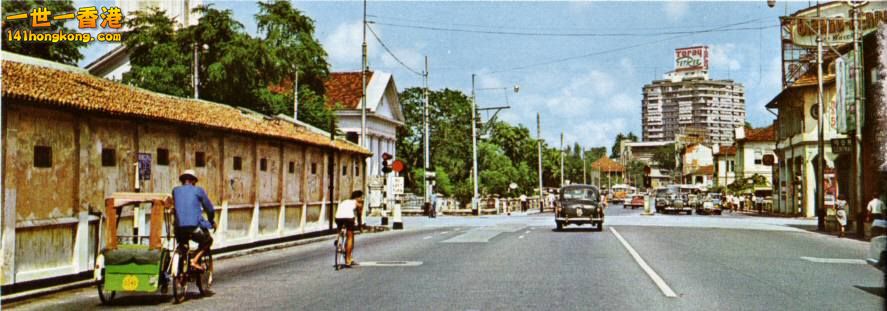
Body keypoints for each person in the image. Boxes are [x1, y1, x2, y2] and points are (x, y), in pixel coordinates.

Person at [172, 169, 215, 271]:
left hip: (179, 228)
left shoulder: (175, 190)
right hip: (194, 227)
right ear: (193, 181)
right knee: (208, 240)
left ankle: (181, 270)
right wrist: (211, 221)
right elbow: (210, 209)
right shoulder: (198, 190)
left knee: (183, 244)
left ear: (182, 181)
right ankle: (194, 260)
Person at [335, 190, 364, 267]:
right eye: (361, 197)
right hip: (349, 218)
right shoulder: (358, 203)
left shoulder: (344, 201)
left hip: (338, 217)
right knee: (350, 237)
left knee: (339, 227)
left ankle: (338, 239)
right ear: (357, 197)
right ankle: (348, 259)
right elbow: (359, 216)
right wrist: (360, 227)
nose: (362, 199)